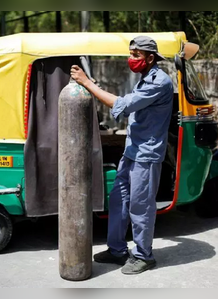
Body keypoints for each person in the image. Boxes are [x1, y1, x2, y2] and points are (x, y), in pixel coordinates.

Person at [71, 36, 173, 274]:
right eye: (130, 54)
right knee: (118, 200)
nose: (131, 59)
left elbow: (123, 106)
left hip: (146, 155)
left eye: (136, 55)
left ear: (150, 58)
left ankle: (144, 256)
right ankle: (117, 250)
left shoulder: (159, 82)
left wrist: (88, 84)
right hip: (131, 150)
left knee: (140, 206)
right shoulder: (144, 78)